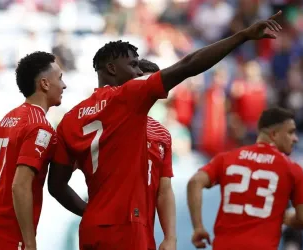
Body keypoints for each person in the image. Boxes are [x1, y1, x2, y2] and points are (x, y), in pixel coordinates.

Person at [48, 12, 283, 250]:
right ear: (111, 68)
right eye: (132, 66)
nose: (138, 73)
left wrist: (92, 213)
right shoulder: (127, 97)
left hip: (94, 229)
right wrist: (241, 36)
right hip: (127, 226)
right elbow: (188, 65)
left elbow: (56, 186)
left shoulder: (71, 118)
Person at [187, 107, 303, 250]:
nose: (295, 138)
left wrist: (198, 227)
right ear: (274, 134)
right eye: (290, 132)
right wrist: (284, 217)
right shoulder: (293, 169)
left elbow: (194, 182)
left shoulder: (227, 158)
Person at [0, 51, 66, 250]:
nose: (64, 85)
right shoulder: (39, 127)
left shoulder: (6, 120)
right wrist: (30, 243)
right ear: (44, 83)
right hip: (7, 231)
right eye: (60, 78)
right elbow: (20, 186)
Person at [139, 59, 176, 250]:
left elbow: (164, 189)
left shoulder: (161, 133)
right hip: (106, 231)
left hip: (144, 233)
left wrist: (170, 237)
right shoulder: (105, 124)